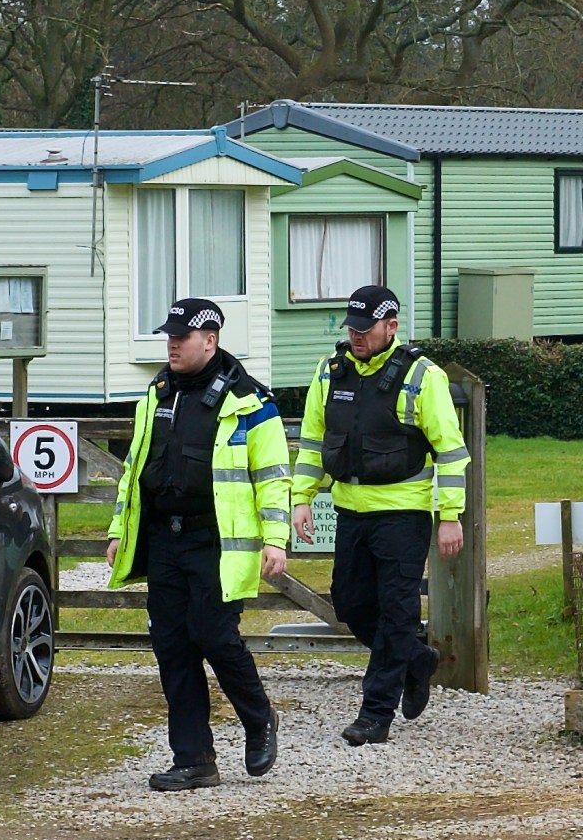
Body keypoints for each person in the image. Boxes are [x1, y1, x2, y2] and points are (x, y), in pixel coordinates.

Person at [107, 298, 291, 790]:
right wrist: (119, 528)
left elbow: (273, 478)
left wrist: (275, 539)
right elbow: (135, 468)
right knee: (172, 649)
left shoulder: (252, 401)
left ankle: (259, 719)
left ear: (209, 341)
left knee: (215, 637)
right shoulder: (158, 391)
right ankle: (194, 759)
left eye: (181, 336)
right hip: (165, 540)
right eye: (168, 335)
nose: (170, 343)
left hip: (216, 544)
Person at [292, 285, 470, 746]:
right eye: (352, 326)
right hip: (350, 511)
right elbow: (314, 441)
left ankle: (375, 714)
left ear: (391, 326)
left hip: (403, 516)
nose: (356, 335)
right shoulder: (330, 371)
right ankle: (414, 659)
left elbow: (451, 452)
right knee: (350, 605)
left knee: (396, 614)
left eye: (365, 328)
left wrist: (450, 516)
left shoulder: (422, 376)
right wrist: (302, 497)